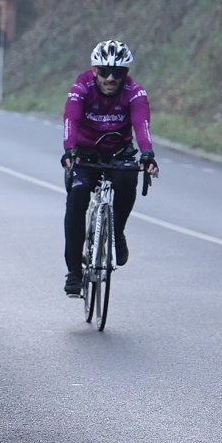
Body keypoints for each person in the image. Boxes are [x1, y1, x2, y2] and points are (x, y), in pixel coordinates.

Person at [61, 40, 160, 295]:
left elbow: (141, 124)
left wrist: (147, 153)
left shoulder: (134, 91)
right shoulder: (81, 87)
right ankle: (74, 272)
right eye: (104, 71)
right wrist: (69, 150)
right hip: (85, 153)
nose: (110, 78)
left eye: (118, 72)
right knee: (77, 200)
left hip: (118, 153)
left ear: (125, 74)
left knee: (128, 183)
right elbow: (70, 118)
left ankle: (117, 231)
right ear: (94, 70)